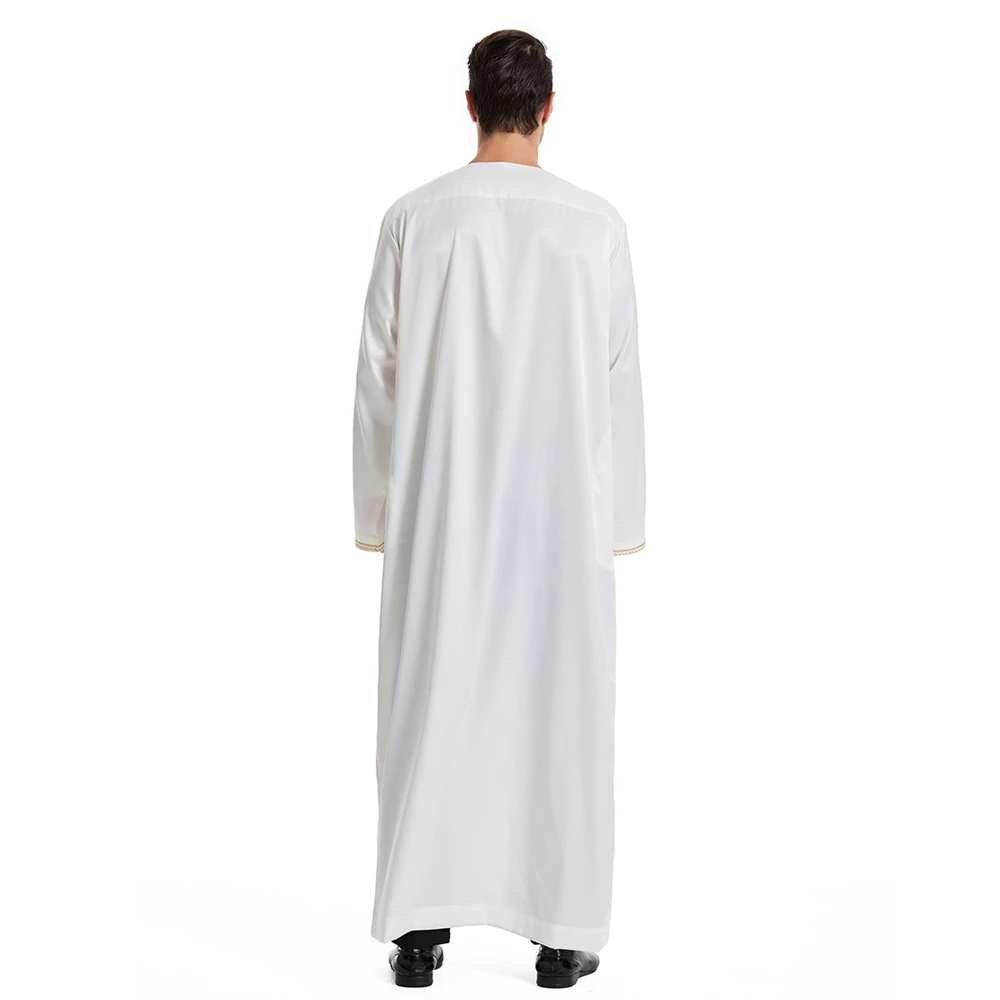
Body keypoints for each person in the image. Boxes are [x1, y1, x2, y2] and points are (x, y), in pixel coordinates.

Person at [352, 28, 646, 989]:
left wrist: (378, 513)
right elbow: (619, 382)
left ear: (471, 103)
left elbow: (379, 378)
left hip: (442, 505)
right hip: (561, 518)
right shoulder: (595, 227)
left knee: (431, 702)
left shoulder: (415, 219)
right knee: (557, 712)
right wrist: (619, 523)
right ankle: (561, 932)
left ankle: (417, 929)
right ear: (548, 108)